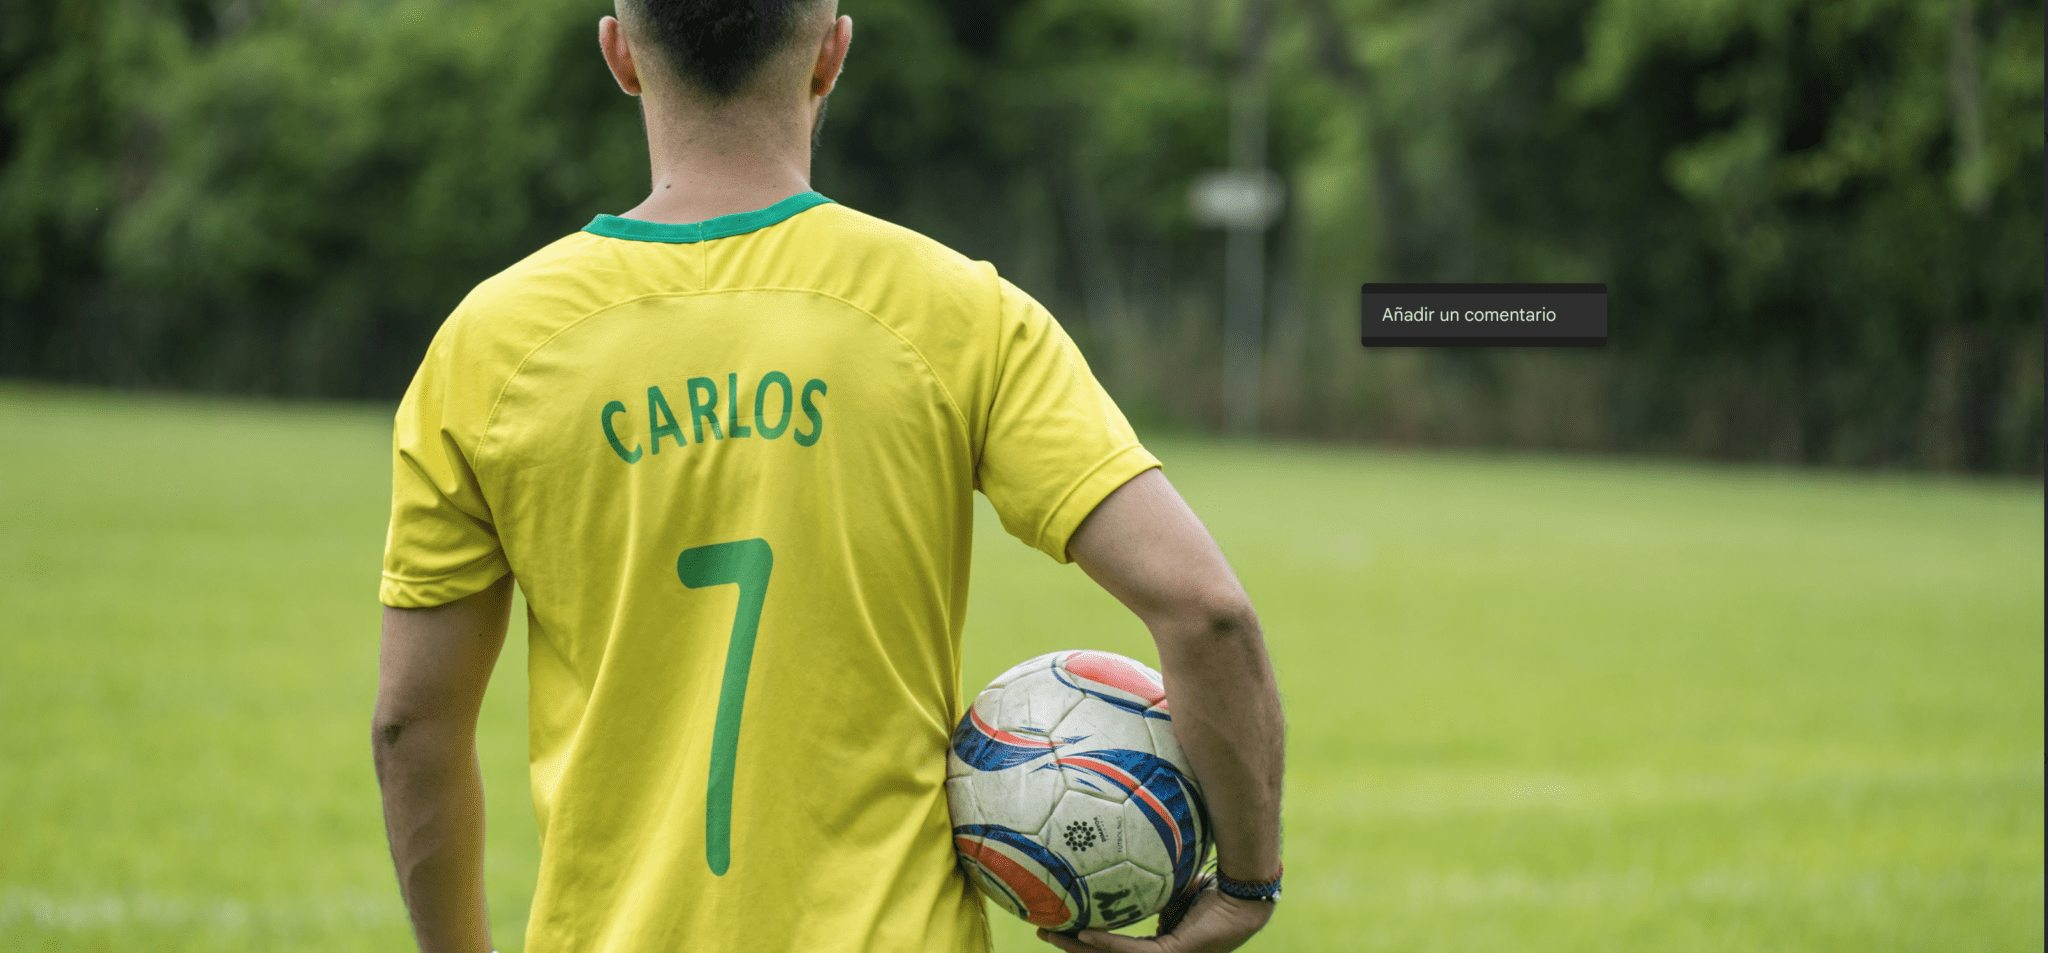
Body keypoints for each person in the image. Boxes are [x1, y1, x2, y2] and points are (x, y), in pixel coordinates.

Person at [370, 1, 1285, 951]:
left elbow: (412, 727)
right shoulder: (955, 311)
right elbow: (1204, 610)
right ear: (831, 55)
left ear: (621, 55)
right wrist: (1249, 884)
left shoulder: (489, 347)